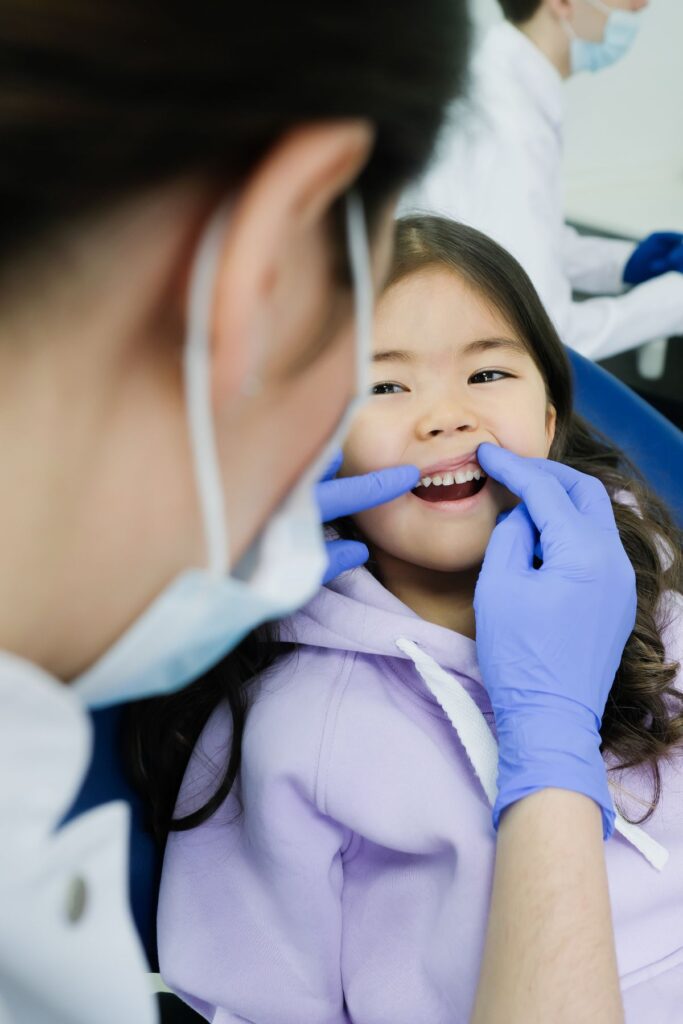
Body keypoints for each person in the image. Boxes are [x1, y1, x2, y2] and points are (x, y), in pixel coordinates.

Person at [145, 217, 681, 1022]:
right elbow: (257, 1002)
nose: (445, 418)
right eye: (383, 386)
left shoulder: (658, 604)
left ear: (548, 420)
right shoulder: (294, 727)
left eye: (489, 373)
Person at [400, 0, 683, 362]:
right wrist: (674, 301)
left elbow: (507, 240)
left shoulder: (501, 83)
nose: (642, 4)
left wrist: (624, 263)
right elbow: (549, 337)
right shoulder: (511, 128)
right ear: (562, 3)